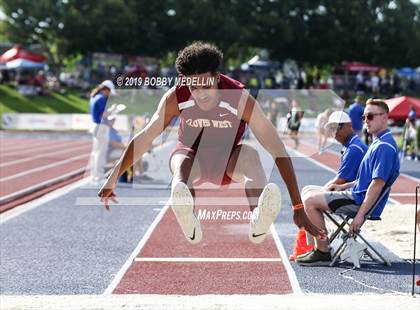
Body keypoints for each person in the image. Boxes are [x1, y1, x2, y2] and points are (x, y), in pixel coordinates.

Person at [98, 42, 324, 245]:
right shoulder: (176, 96)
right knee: (179, 160)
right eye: (193, 87)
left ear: (217, 77)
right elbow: (145, 137)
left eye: (205, 86)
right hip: (192, 158)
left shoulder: (239, 98)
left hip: (229, 161)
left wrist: (297, 206)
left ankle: (258, 217)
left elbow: (278, 149)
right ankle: (187, 211)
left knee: (251, 156)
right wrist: (113, 176)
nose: (199, 94)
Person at [296, 99, 399, 265]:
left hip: (359, 201)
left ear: (385, 118)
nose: (366, 121)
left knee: (309, 201)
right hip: (357, 195)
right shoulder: (378, 142)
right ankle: (319, 246)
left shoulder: (384, 147)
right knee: (309, 195)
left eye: (370, 116)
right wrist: (343, 186)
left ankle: (322, 251)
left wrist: (359, 215)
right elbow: (367, 180)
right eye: (364, 117)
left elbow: (377, 185)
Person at [89, 80, 117, 184]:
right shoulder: (101, 98)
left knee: (95, 153)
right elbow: (103, 114)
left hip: (96, 125)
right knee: (101, 153)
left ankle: (94, 176)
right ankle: (98, 177)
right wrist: (113, 110)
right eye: (109, 92)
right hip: (101, 127)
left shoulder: (94, 97)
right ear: (106, 89)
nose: (109, 94)